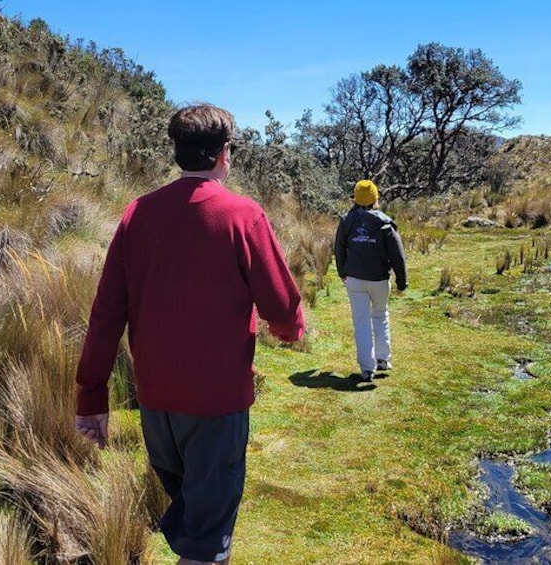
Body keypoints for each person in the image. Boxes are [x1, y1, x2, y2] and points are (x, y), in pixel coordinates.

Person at [73, 104, 305, 565]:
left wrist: (92, 397)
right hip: (218, 403)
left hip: (156, 402)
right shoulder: (243, 216)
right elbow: (282, 305)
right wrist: (288, 329)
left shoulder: (137, 214)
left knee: (194, 518)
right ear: (224, 154)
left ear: (177, 152)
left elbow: (106, 313)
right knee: (206, 537)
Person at [334, 179, 407, 383]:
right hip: (379, 280)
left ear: (355, 198)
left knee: (361, 323)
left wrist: (342, 272)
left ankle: (367, 368)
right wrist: (402, 281)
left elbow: (339, 248)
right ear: (376, 198)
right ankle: (383, 358)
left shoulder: (346, 220)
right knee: (380, 315)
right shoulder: (385, 223)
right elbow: (398, 256)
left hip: (355, 280)